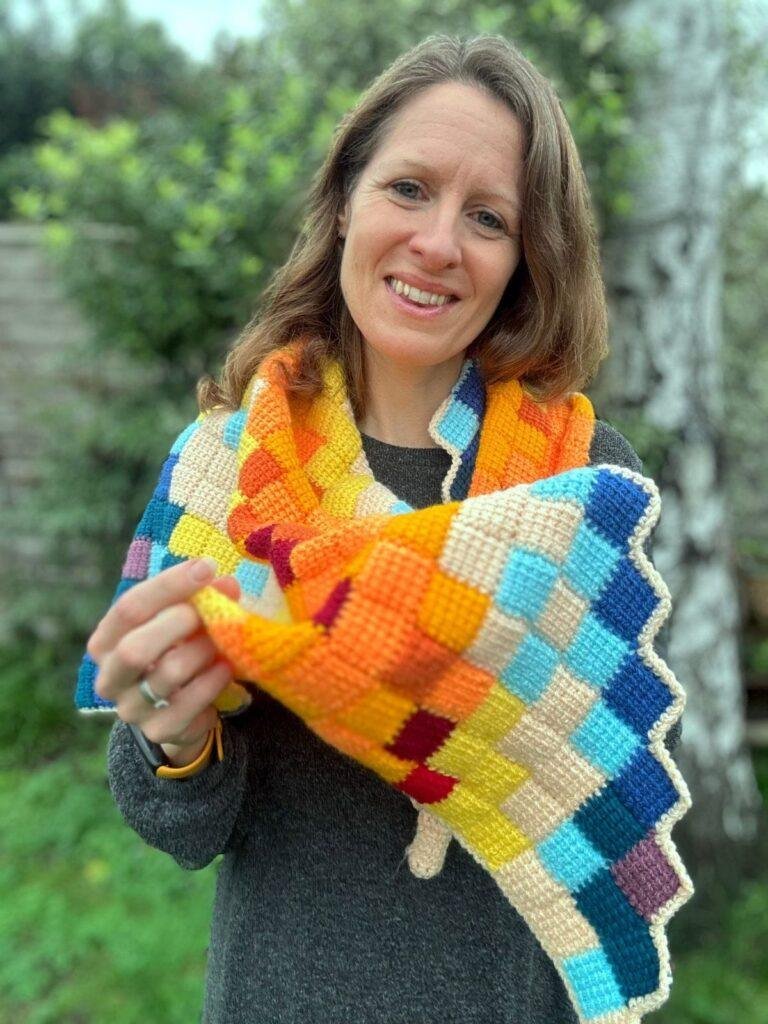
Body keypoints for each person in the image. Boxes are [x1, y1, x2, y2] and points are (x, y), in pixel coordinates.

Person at [82, 32, 682, 1024]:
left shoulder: (580, 485)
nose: (439, 242)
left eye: (487, 216)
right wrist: (177, 731)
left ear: (526, 258)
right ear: (346, 199)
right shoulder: (228, 471)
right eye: (409, 188)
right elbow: (179, 825)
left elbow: (598, 803)